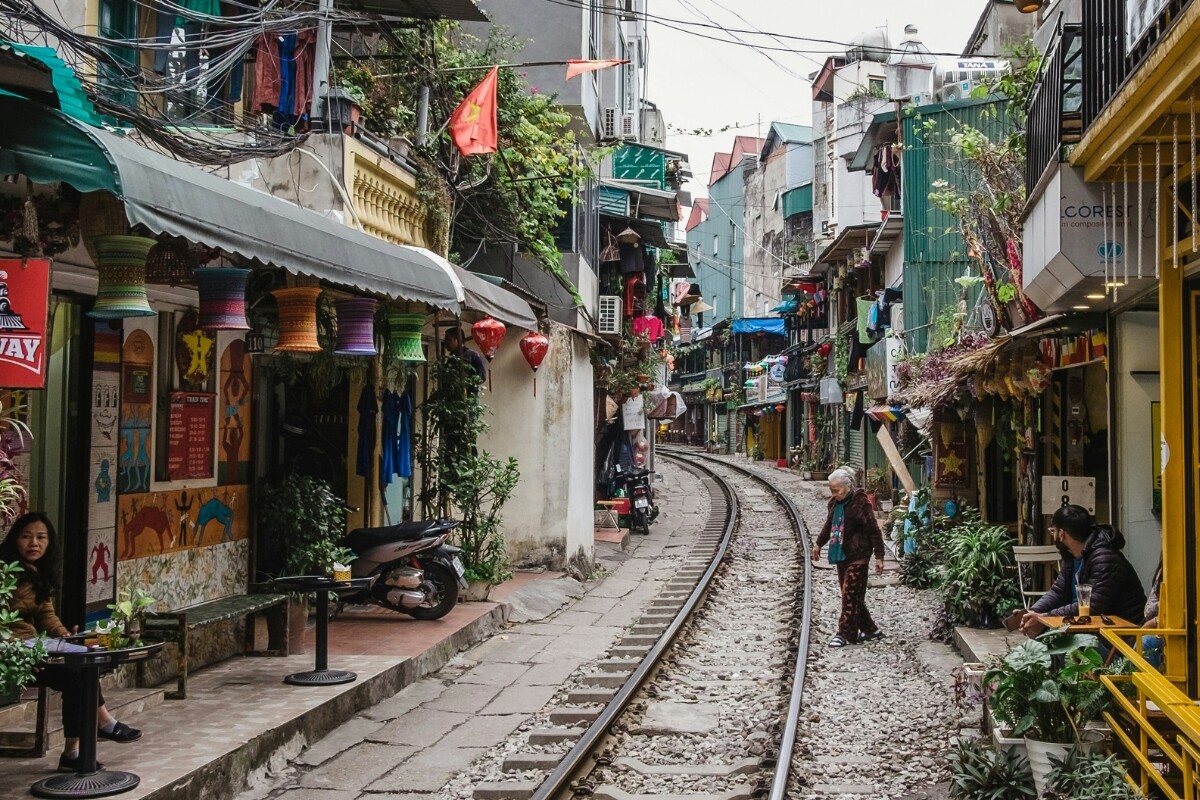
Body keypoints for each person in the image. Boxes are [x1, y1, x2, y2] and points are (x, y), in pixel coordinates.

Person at [1, 513, 142, 772]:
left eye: (41, 537)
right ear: (14, 540)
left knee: (82, 665)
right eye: (26, 536)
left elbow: (46, 615)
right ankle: (92, 735)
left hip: (33, 648)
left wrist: (66, 636)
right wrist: (18, 653)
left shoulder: (37, 573)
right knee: (77, 675)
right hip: (13, 653)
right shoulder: (5, 572)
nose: (34, 543)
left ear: (49, 542)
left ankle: (79, 747)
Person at [1018, 504, 1146, 637]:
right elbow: (1058, 592)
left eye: (1053, 531)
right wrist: (1033, 612)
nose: (1053, 535)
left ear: (1061, 534)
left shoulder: (1105, 558)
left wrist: (1044, 618)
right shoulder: (1071, 556)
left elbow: (1093, 606)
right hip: (1089, 627)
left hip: (1120, 633)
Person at [810, 468, 887, 647]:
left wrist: (879, 556)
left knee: (850, 595)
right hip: (841, 554)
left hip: (859, 555)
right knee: (852, 594)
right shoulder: (834, 504)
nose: (834, 494)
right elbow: (829, 525)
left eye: (837, 490)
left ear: (849, 486)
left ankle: (845, 633)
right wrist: (818, 544)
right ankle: (870, 629)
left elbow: (874, 530)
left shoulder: (861, 503)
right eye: (832, 490)